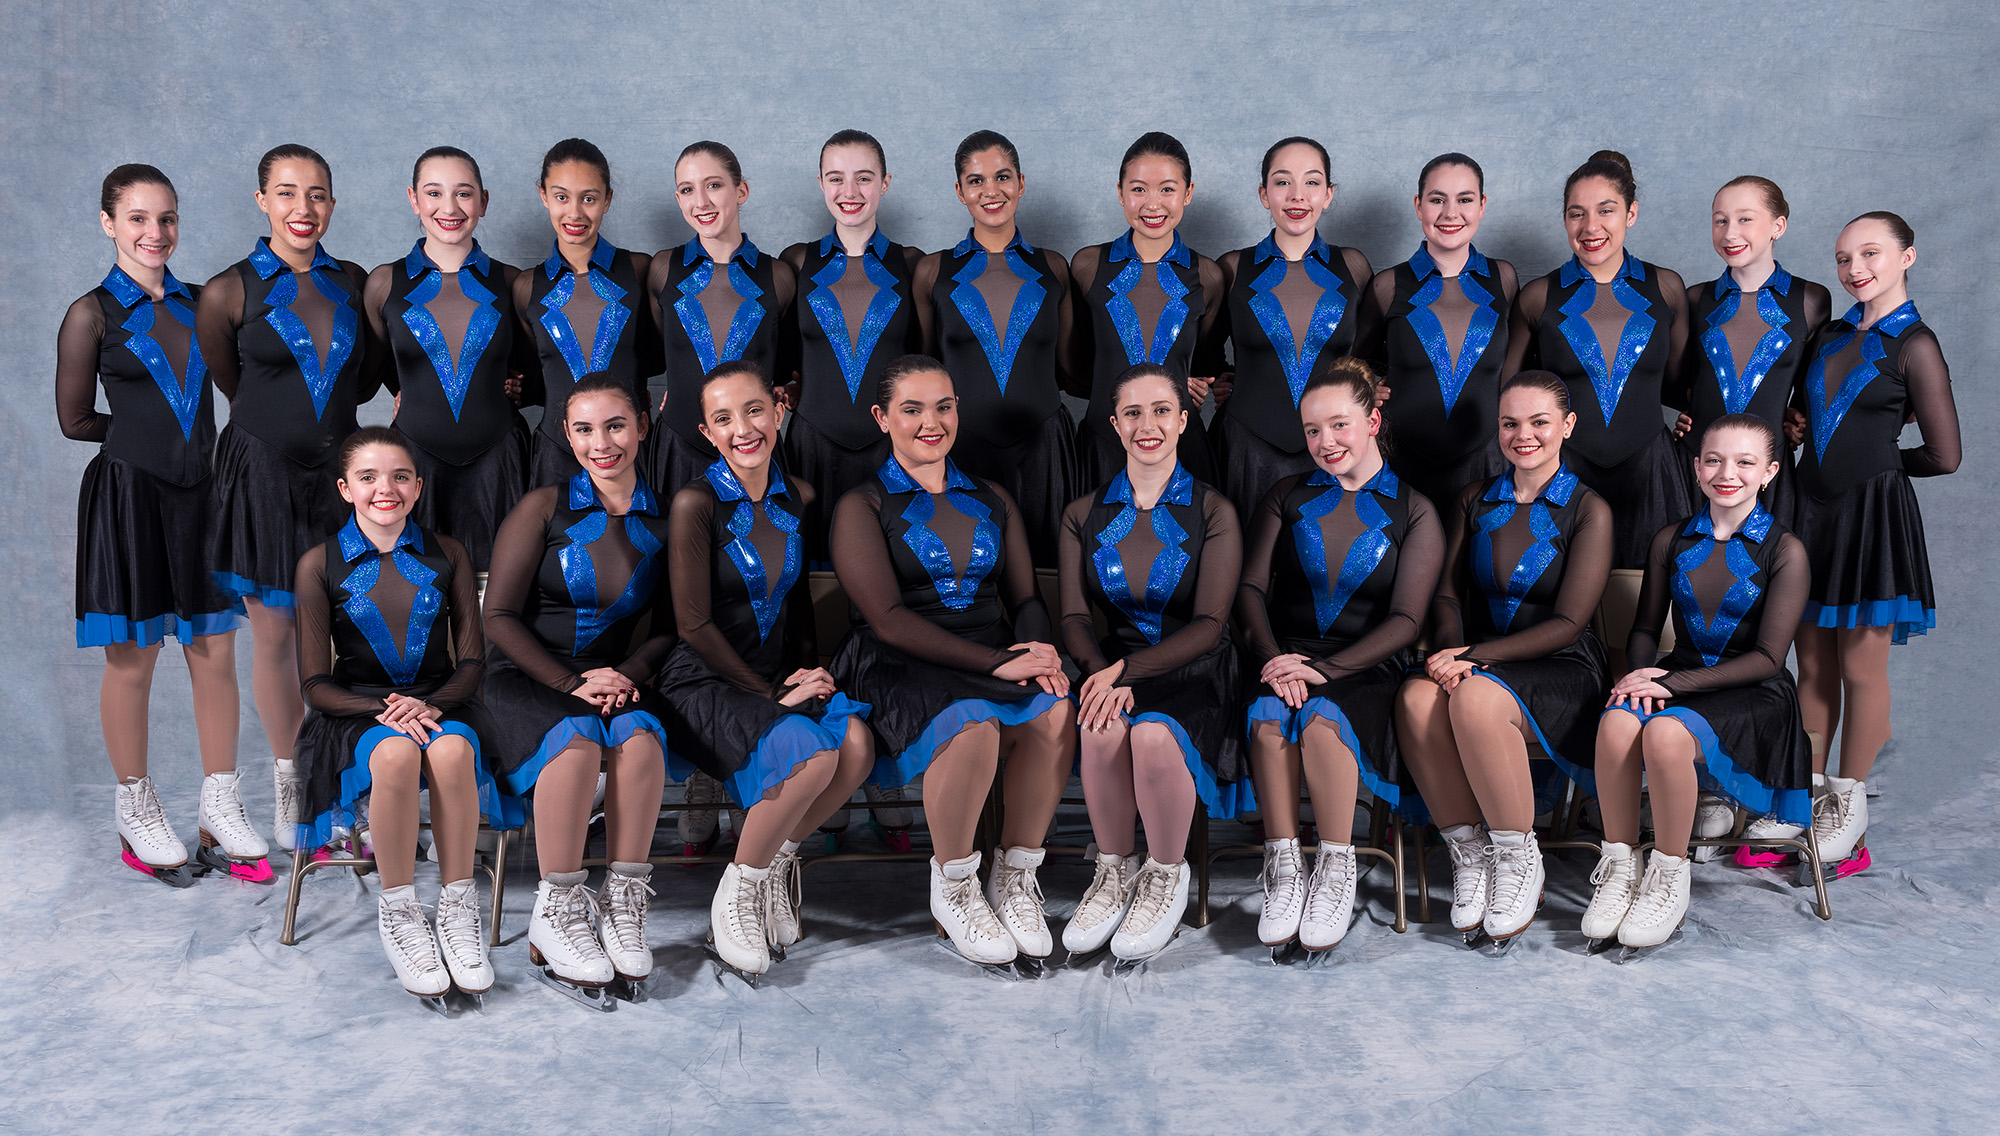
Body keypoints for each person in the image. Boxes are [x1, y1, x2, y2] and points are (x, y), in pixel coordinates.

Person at [829, 355, 1075, 966]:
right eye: (911, 409)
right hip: (895, 662)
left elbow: (1025, 598)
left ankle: (1014, 877)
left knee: (1054, 711)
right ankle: (955, 884)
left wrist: (1037, 651)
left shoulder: (991, 497)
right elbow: (887, 619)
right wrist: (997, 664)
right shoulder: (862, 505)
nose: (930, 423)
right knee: (972, 724)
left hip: (990, 654)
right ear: (882, 418)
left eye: (943, 407)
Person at [58, 163, 260, 886]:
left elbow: (255, 383)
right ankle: (135, 807)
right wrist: (140, 442)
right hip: (131, 497)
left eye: (166, 218)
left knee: (214, 650)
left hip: (205, 496)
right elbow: (74, 419)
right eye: (138, 218)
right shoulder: (91, 314)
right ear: (108, 223)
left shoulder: (204, 302)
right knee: (133, 658)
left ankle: (220, 804)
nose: (155, 232)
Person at [660, 361, 876, 977]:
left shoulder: (799, 496)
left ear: (779, 412)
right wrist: (768, 694)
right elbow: (693, 625)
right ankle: (738, 892)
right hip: (702, 679)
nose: (743, 429)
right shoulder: (696, 502)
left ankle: (776, 862)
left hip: (777, 674)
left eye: (754, 410)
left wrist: (810, 671)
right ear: (707, 433)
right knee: (810, 753)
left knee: (855, 743)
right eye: (724, 419)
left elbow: (799, 599)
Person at [196, 143, 380, 853]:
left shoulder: (354, 281)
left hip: (341, 476)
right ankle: (291, 782)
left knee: (349, 632)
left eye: (317, 194)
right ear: (262, 201)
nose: (303, 208)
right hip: (263, 474)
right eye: (287, 193)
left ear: (332, 203)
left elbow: (367, 379)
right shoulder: (228, 291)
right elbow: (235, 385)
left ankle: (346, 782)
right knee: (275, 635)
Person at [1393, 371, 1613, 944]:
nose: (1524, 435)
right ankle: (1470, 853)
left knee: (1475, 699)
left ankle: (1518, 858)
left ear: (1567, 426)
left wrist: (1474, 657)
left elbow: (1569, 624)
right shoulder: (1475, 499)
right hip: (1478, 657)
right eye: (1510, 423)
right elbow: (1446, 594)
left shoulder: (1589, 509)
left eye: (1540, 422)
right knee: (1415, 698)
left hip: (1561, 664)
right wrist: (1452, 652)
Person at [293, 427, 510, 1001]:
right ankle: (400, 910)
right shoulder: (319, 563)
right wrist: (385, 710)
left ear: (418, 486)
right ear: (345, 489)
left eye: (399, 476)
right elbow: (315, 685)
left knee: (453, 751)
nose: (384, 488)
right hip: (355, 710)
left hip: (442, 701)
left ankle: (458, 905)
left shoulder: (449, 553)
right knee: (393, 755)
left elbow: (472, 663)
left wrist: (430, 705)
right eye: (367, 477)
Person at [1237, 357, 1442, 952]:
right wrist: (1274, 659)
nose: (1325, 442)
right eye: (1312, 430)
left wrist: (1324, 670)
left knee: (1325, 720)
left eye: (1339, 425)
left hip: (1367, 662)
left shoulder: (1415, 509)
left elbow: (1407, 621)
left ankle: (1334, 865)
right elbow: (1249, 590)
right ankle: (1283, 866)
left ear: (1373, 421)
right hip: (1282, 656)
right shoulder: (1286, 495)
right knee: (1269, 715)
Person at [482, 376, 675, 1005]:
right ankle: (558, 908)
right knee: (575, 741)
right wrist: (570, 682)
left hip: (610, 678)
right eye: (585, 429)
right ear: (567, 436)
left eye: (615, 425)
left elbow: (672, 626)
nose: (602, 443)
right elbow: (498, 617)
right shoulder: (543, 506)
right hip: (526, 676)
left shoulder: (666, 517)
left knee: (643, 739)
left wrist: (628, 674)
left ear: (642, 426)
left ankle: (622, 905)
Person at [1587, 415, 1813, 949]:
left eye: (1744, 462)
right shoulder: (1671, 539)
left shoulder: (1785, 550)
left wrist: (1672, 686)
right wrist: (1639, 674)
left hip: (1753, 691)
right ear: (1695, 468)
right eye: (1714, 460)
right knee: (1617, 722)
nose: (1726, 473)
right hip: (1678, 675)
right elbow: (1645, 629)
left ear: (1769, 472)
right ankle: (1620, 867)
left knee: (1666, 734)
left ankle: (1669, 875)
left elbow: (1768, 659)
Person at [1786, 212, 1960, 874]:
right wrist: (1796, 430)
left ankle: (1848, 805)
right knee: (1812, 668)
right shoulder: (1829, 334)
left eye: (1870, 254)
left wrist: (1880, 465)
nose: (1854, 269)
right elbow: (1807, 416)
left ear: (1906, 256)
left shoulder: (1915, 343)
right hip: (1809, 514)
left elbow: (1944, 455)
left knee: (1861, 669)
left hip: (1870, 521)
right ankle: (1801, 799)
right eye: (1843, 258)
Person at [1058, 364, 1242, 961]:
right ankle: (1114, 871)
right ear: (1114, 425)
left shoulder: (1214, 511)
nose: (1148, 425)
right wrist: (1100, 674)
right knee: (1099, 724)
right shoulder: (1081, 513)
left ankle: (1166, 874)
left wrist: (1123, 674)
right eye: (1133, 413)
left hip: (1197, 671)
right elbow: (1074, 619)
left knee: (1155, 736)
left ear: (1184, 421)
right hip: (1113, 669)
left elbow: (1210, 625)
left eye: (1161, 411)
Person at [1503, 150, 1689, 569]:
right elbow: (1507, 391)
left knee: (1649, 595)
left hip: (1650, 471)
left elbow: (1682, 385)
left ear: (1631, 213)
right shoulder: (1539, 297)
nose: (1591, 227)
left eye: (1606, 210)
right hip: (1563, 471)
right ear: (1565, 219)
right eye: (1577, 214)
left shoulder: (1667, 288)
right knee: (1561, 590)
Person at [911, 131, 1074, 566]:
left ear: (1021, 183)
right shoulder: (933, 271)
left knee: (1046, 570)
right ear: (959, 191)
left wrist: (1176, 376)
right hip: (960, 446)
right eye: (976, 180)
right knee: (966, 567)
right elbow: (921, 370)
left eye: (1002, 177)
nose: (991, 191)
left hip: (1043, 446)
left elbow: (1074, 370)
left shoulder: (1053, 267)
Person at [365, 146, 531, 569]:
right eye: (434, 193)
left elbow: (541, 364)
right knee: (418, 587)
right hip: (415, 460)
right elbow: (372, 365)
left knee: (501, 589)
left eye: (463, 193)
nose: (449, 208)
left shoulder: (511, 282)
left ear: (483, 201)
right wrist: (409, 390)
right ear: (413, 199)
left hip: (498, 460)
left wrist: (523, 387)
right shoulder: (384, 283)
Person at [779, 129, 924, 563]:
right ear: (821, 183)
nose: (850, 191)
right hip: (812, 443)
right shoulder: (797, 261)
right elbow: (779, 353)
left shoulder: (912, 263)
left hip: (892, 445)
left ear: (885, 182)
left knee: (889, 565)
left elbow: (926, 357)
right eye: (836, 178)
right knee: (808, 565)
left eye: (864, 177)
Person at [1213, 137, 1374, 525]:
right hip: (1248, 446)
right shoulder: (1233, 268)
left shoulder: (1353, 267)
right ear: (1264, 194)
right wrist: (1221, 379)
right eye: (1283, 182)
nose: (1297, 195)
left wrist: (1375, 387)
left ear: (1328, 194)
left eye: (1312, 182)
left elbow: (1370, 355)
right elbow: (1200, 349)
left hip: (1334, 450)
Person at [1356, 152, 1516, 510]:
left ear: (1482, 205)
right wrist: (1367, 387)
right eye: (1437, 200)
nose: (1451, 213)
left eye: (1465, 200)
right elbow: (1354, 363)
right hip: (1401, 460)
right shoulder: (1388, 285)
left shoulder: (1503, 279)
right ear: (1419, 205)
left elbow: (1522, 366)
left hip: (1486, 461)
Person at [1067, 132, 1225, 488]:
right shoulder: (1088, 266)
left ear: (1188, 193)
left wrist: (1187, 381)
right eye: (1139, 189)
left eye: (1167, 189)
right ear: (1120, 192)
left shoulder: (1207, 275)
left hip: (1181, 448)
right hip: (1104, 444)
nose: (1153, 204)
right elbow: (1074, 364)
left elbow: (1207, 363)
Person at [646, 140, 797, 501]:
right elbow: (659, 351)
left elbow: (787, 364)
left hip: (754, 450)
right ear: (678, 198)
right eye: (687, 190)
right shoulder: (663, 269)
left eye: (713, 185)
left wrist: (784, 388)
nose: (701, 202)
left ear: (741, 190)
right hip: (679, 446)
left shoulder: (777, 276)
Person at [1679, 176, 1831, 530]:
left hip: (1769, 469)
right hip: (1697, 466)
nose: (1730, 233)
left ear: (1778, 226)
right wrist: (1686, 414)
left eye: (1745, 219)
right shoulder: (1696, 298)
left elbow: (1810, 381)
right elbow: (1676, 379)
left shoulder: (1811, 299)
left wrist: (1795, 418)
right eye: (1720, 220)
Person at [514, 138, 657, 489]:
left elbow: (662, 355)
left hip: (630, 452)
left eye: (589, 198)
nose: (575, 213)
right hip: (556, 454)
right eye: (562, 197)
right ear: (543, 195)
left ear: (607, 200)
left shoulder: (639, 270)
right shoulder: (527, 287)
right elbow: (534, 372)